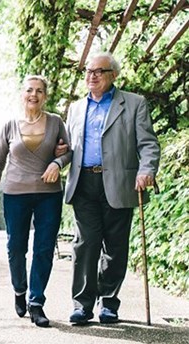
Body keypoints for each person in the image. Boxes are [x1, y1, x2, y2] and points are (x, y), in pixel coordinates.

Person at [65, 52, 160, 325]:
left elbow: (148, 144)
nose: (91, 75)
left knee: (115, 247)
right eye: (88, 71)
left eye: (99, 71)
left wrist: (146, 170)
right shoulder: (75, 109)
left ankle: (108, 303)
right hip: (84, 182)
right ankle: (82, 305)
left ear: (113, 75)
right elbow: (69, 145)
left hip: (120, 182)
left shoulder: (134, 104)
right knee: (85, 244)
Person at [0, 75, 72, 327]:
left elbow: (68, 152)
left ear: (45, 95)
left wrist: (57, 162)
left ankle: (37, 303)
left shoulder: (56, 122)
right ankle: (19, 290)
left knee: (44, 249)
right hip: (15, 194)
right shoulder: (10, 125)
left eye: (39, 91)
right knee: (16, 248)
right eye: (29, 90)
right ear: (22, 94)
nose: (33, 95)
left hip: (49, 194)